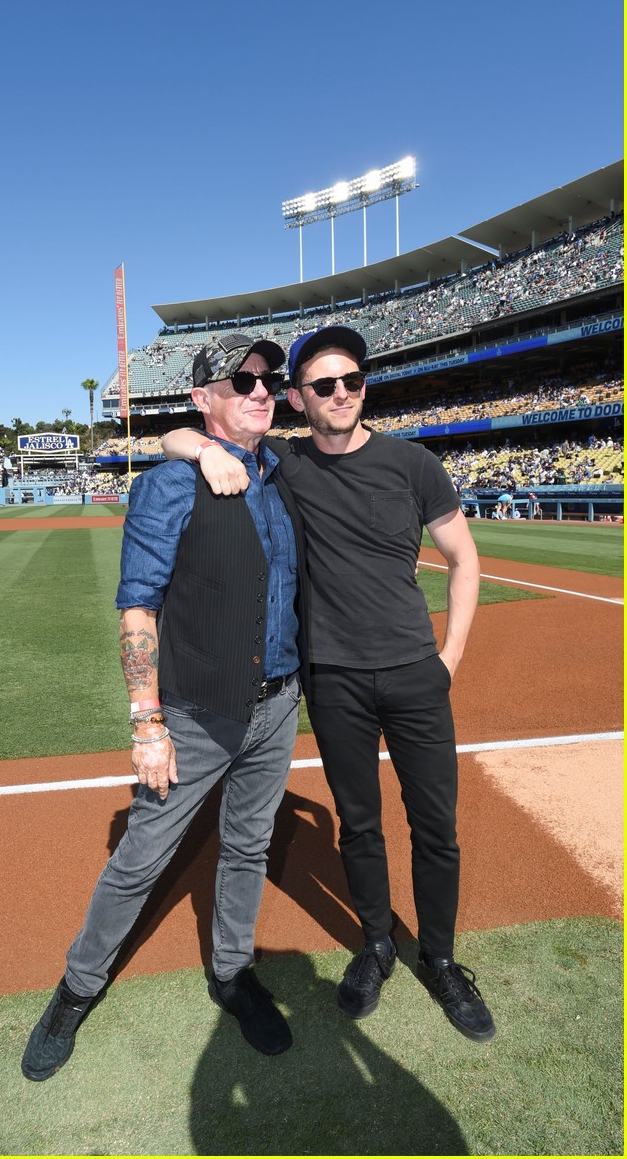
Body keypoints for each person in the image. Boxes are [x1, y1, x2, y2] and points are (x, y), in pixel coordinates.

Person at [162, 323, 495, 1044]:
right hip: (332, 677)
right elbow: (180, 439)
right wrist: (194, 446)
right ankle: (375, 945)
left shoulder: (413, 465)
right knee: (360, 823)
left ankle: (438, 958)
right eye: (322, 385)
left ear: (364, 387)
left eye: (350, 381)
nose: (339, 394)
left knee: (435, 826)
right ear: (298, 397)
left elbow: (464, 561)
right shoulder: (285, 463)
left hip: (415, 673)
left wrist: (449, 657)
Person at [21, 334, 306, 1082]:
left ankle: (231, 972)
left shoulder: (283, 472)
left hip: (278, 703)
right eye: (238, 380)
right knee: (141, 857)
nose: (258, 388)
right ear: (202, 397)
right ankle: (76, 989)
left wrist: (207, 444)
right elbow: (138, 610)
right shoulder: (167, 487)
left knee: (248, 845)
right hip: (194, 712)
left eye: (266, 378)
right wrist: (146, 725)